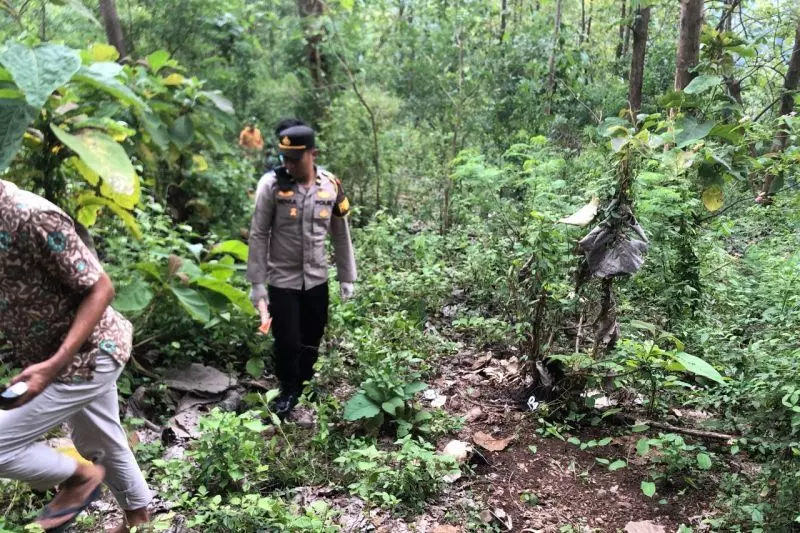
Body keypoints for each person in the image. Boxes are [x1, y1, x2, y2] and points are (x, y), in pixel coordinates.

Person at [0, 180, 151, 533]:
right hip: (54, 355)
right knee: (99, 440)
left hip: (87, 356)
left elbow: (102, 288)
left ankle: (81, 478)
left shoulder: (32, 217)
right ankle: (141, 522)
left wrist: (52, 366)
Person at [247, 121, 357, 418]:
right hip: (282, 279)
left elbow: (340, 232)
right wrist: (257, 283)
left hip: (317, 279)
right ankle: (287, 389)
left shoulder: (331, 185)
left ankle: (305, 384)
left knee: (312, 337)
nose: (290, 165)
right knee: (287, 340)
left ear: (313, 154)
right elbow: (259, 233)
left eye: (296, 158)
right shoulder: (272, 185)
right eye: (285, 158)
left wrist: (347, 278)